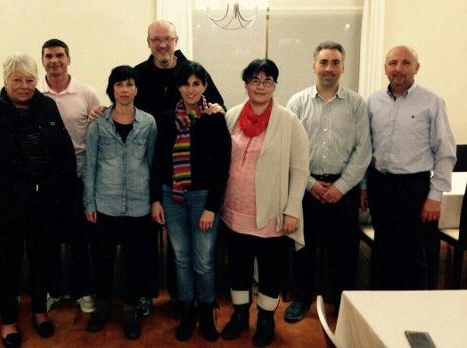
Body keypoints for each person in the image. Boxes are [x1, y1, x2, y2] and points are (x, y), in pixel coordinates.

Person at [0, 53, 76, 347]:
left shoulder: (47, 106)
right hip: (3, 204)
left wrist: (60, 191)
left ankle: (39, 311)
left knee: (41, 259)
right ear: (5, 80)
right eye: (17, 80)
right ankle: (9, 320)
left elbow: (64, 151)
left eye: (29, 80)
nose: (24, 86)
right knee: (6, 264)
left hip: (43, 203)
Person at [133, 20, 225, 313]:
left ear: (176, 40)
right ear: (148, 42)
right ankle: (170, 299)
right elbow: (121, 102)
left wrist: (217, 110)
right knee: (170, 249)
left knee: (199, 257)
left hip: (199, 188)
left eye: (167, 39)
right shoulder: (139, 76)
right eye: (156, 39)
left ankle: (199, 304)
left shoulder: (194, 73)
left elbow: (218, 108)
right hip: (159, 178)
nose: (162, 44)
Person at [219, 59, 309, 347]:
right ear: (245, 83)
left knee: (271, 269)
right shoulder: (231, 116)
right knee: (239, 267)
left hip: (272, 212)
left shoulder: (288, 121)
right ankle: (240, 315)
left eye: (267, 81)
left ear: (274, 86)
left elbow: (300, 168)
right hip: (234, 210)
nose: (261, 86)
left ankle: (267, 319)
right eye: (255, 80)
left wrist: (292, 208)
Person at [284, 41, 371, 321]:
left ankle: (342, 303)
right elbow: (288, 148)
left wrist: (341, 187)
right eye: (324, 62)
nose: (329, 68)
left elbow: (363, 150)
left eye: (335, 63)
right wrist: (310, 184)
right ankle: (301, 298)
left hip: (342, 190)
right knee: (303, 248)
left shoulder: (357, 104)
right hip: (305, 187)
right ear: (314, 66)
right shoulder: (297, 102)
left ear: (343, 67)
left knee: (343, 250)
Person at [360, 45, 456, 290]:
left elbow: (445, 152)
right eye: (392, 63)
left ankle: (414, 309)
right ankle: (381, 307)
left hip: (414, 187)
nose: (398, 69)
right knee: (383, 248)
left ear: (417, 67)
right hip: (380, 184)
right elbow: (366, 149)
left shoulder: (432, 102)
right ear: (385, 68)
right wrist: (364, 187)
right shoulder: (373, 101)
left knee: (414, 252)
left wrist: (435, 196)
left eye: (405, 62)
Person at [150, 61, 230, 342]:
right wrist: (156, 199)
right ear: (178, 87)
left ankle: (206, 312)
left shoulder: (214, 118)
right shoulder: (167, 117)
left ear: (205, 86)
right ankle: (187, 311)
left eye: (197, 83)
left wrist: (212, 207)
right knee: (181, 259)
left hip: (202, 199)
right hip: (172, 197)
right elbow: (159, 160)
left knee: (204, 261)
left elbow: (223, 167)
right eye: (186, 83)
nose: (191, 89)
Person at [82, 65, 157, 340]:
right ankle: (102, 307)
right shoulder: (98, 122)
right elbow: (89, 165)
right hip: (104, 204)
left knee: (134, 261)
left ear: (136, 89)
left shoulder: (148, 122)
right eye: (119, 85)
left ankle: (130, 310)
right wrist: (89, 202)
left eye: (129, 84)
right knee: (101, 260)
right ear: (111, 89)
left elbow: (152, 164)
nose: (124, 90)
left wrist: (153, 201)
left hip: (138, 204)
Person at [37, 38, 99, 313]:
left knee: (79, 239)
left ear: (69, 58)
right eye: (48, 56)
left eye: (59, 55)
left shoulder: (86, 93)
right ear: (43, 61)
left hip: (80, 177)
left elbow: (99, 130)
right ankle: (53, 289)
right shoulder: (34, 94)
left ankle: (83, 291)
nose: (54, 60)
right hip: (46, 180)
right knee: (47, 238)